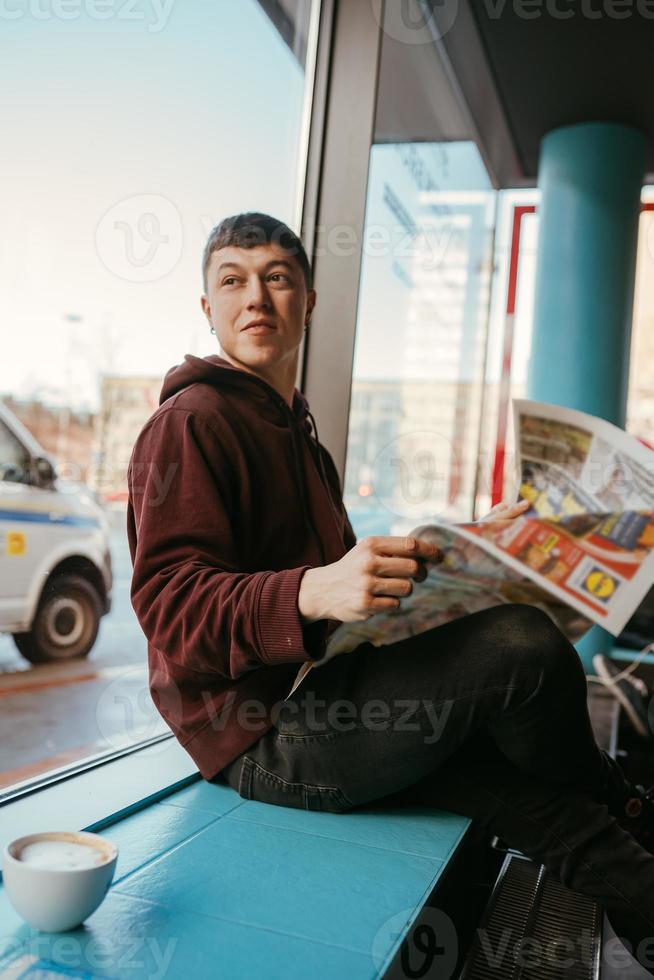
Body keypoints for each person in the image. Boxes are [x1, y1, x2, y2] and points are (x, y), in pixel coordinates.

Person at [127, 212, 654, 974]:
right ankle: (627, 800)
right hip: (262, 736)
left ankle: (628, 837)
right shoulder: (188, 423)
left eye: (277, 278)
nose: (257, 299)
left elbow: (348, 596)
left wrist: (475, 543)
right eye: (232, 282)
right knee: (525, 648)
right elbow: (172, 608)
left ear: (308, 301)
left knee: (554, 815)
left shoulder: (299, 436)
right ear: (206, 308)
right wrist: (310, 590)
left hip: (336, 694)